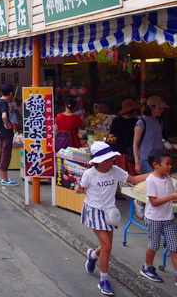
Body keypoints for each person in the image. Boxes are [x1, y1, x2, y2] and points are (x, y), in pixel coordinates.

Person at [76, 142, 148, 296]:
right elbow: (82, 187)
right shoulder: (90, 174)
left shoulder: (115, 170)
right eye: (107, 160)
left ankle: (93, 255)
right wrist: (78, 189)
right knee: (107, 245)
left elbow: (134, 179)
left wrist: (154, 174)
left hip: (110, 212)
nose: (111, 162)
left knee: (106, 246)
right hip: (94, 210)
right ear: (97, 161)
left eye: (112, 159)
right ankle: (104, 280)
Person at [139, 149, 177, 284]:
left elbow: (171, 198)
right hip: (154, 218)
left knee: (174, 246)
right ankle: (147, 268)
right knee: (154, 245)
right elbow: (154, 202)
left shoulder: (169, 180)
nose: (170, 166)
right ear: (156, 165)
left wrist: (173, 198)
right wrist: (171, 197)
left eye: (171, 164)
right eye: (167, 164)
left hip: (168, 219)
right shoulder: (151, 181)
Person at [133, 95, 169, 175]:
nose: (162, 110)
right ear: (152, 107)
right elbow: (135, 144)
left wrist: (168, 146)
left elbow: (161, 138)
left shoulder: (159, 122)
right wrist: (137, 162)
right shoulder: (141, 122)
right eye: (160, 108)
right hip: (146, 160)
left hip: (159, 159)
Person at [107, 99, 141, 174]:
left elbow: (111, 136)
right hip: (131, 152)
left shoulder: (116, 120)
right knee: (131, 175)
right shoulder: (136, 121)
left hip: (118, 151)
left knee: (119, 174)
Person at [0, 83, 17, 186]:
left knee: (2, 152)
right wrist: (7, 124)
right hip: (6, 132)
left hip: (0, 131)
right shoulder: (4, 103)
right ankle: (4, 178)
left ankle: (0, 176)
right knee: (6, 154)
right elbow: (4, 116)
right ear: (11, 93)